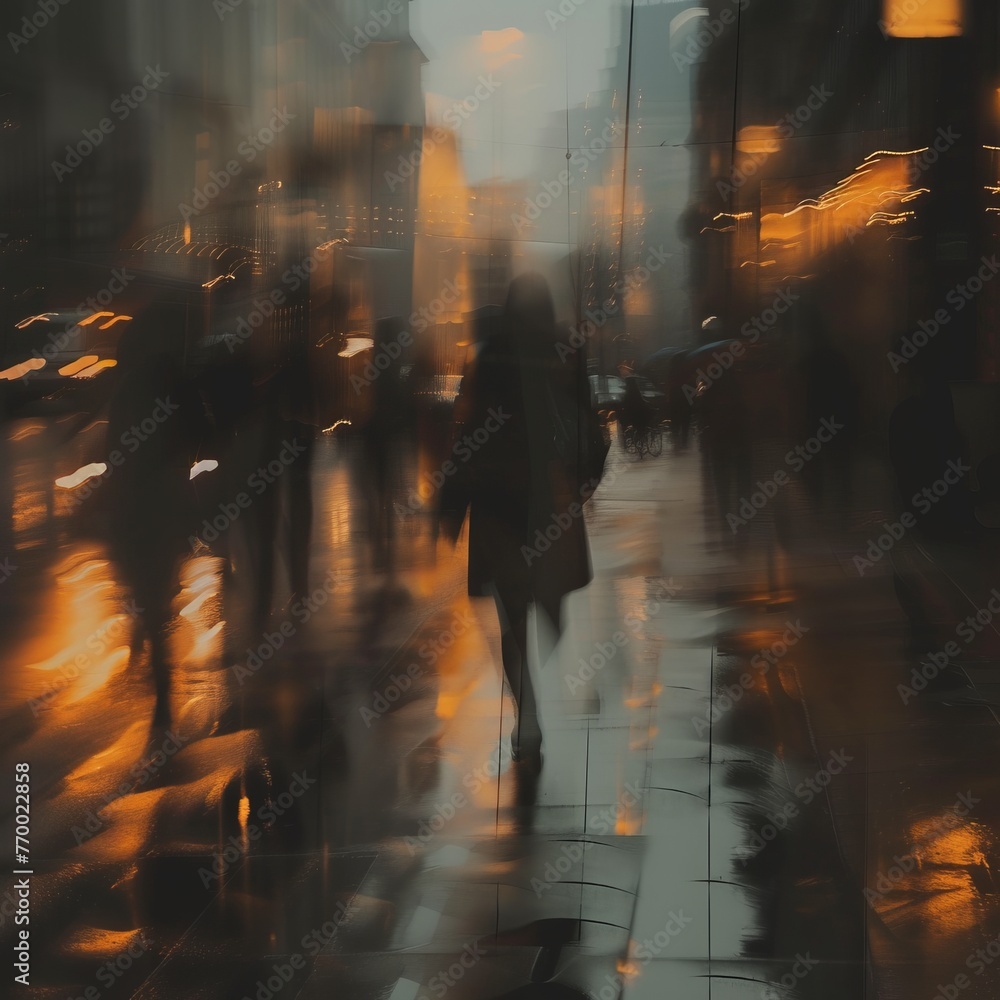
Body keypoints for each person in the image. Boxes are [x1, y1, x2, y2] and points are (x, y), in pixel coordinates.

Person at [441, 273, 602, 774]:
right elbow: (589, 428)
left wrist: (452, 500)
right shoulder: (566, 354)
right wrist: (585, 480)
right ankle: (551, 618)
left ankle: (526, 715)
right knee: (543, 591)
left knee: (512, 622)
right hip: (548, 502)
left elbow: (466, 433)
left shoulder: (490, 358)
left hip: (498, 505)